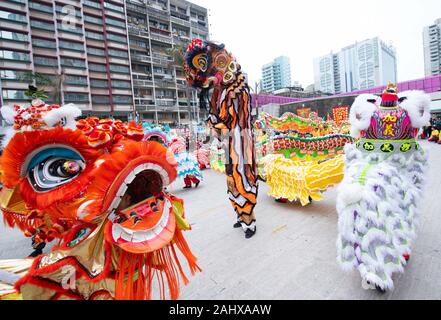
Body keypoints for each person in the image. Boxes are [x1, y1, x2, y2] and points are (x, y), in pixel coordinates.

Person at [336, 84, 431, 292]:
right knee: (387, 212)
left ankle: (395, 248)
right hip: (386, 168)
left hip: (396, 169)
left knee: (400, 211)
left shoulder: (378, 114)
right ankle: (379, 254)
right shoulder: (404, 115)